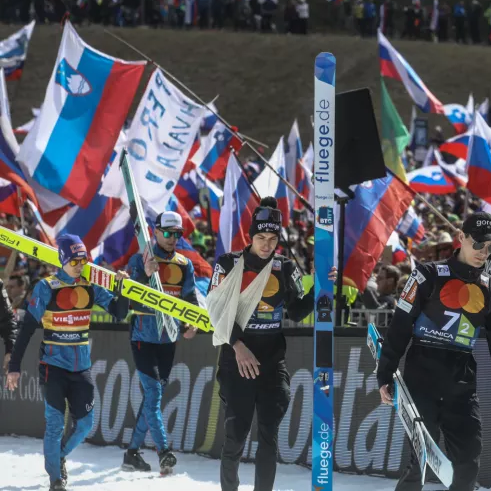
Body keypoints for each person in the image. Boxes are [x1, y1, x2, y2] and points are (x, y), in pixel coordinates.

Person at [376, 212, 491, 491]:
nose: (483, 252)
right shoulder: (427, 274)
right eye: (478, 244)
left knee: (468, 463)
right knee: (421, 462)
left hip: (461, 380)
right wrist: (385, 374)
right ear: (461, 238)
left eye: (490, 247)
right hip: (422, 376)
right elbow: (400, 325)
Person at [5, 234, 131, 491]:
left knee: (85, 424)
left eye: (83, 260)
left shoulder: (90, 286)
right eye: (74, 260)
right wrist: (14, 367)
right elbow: (27, 329)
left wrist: (121, 288)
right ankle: (55, 479)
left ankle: (59, 455)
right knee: (54, 424)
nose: (80, 265)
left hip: (81, 368)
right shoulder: (46, 287)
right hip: (52, 367)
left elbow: (119, 313)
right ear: (62, 259)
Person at [207, 197, 314, 491]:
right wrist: (238, 346)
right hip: (236, 361)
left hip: (271, 364)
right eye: (261, 238)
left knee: (269, 437)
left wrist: (320, 286)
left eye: (272, 239)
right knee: (235, 438)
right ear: (250, 236)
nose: (267, 245)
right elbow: (215, 312)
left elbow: (297, 312)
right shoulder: (228, 264)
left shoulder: (285, 267)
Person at [121, 211, 199, 473]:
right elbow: (129, 296)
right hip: (142, 337)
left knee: (152, 400)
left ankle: (131, 453)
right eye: (167, 233)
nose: (172, 238)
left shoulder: (184, 264)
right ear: (155, 232)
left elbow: (190, 299)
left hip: (169, 339)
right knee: (153, 395)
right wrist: (145, 274)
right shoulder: (139, 260)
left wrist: (192, 322)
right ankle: (164, 452)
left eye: (177, 234)